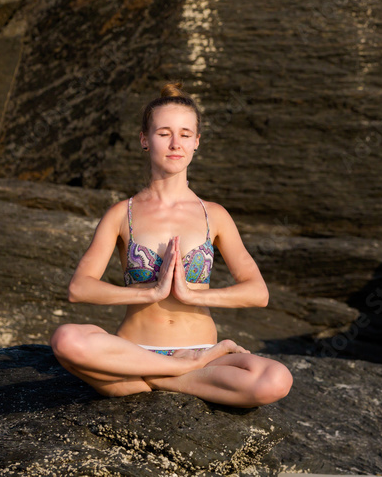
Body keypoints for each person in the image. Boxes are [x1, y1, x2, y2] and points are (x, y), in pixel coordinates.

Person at [50, 81, 292, 407]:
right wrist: (150, 293)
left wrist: (191, 294)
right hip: (134, 352)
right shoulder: (122, 214)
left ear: (196, 142)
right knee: (66, 339)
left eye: (185, 135)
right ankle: (175, 371)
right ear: (144, 140)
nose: (175, 143)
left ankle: (159, 379)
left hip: (200, 353)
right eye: (164, 133)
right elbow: (79, 288)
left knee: (276, 379)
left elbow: (257, 292)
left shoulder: (214, 215)